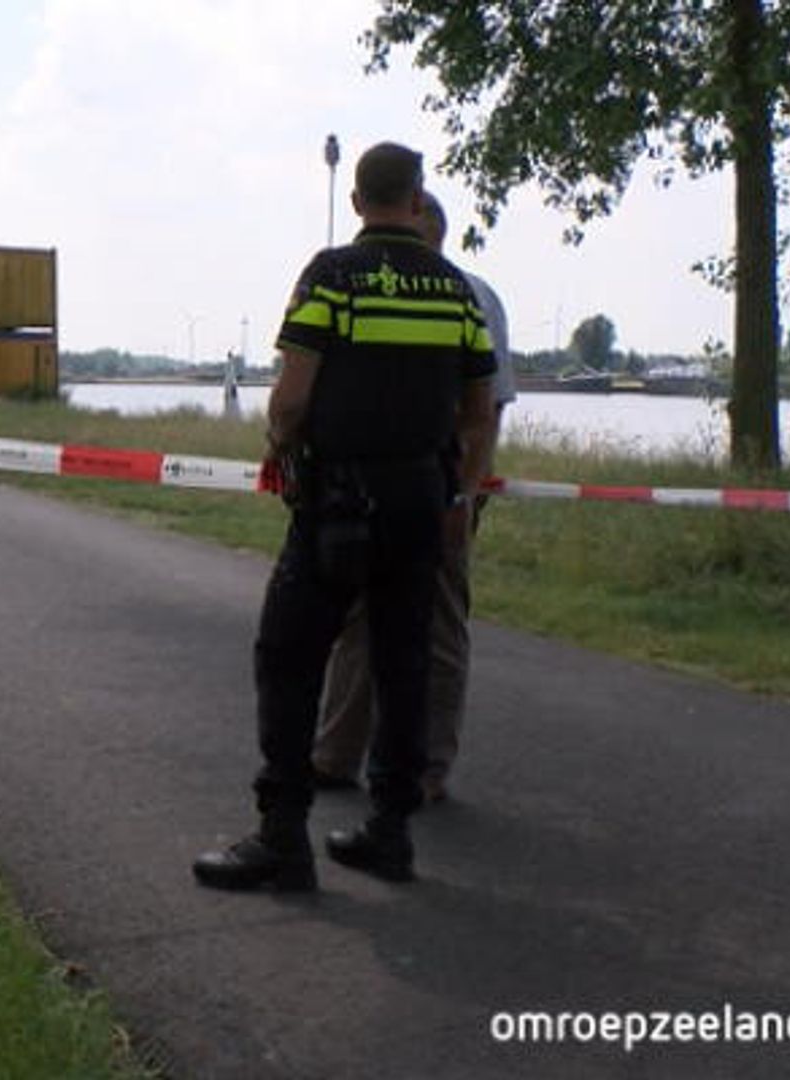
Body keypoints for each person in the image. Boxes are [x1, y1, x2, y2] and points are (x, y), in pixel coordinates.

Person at [192, 143, 497, 890]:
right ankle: (388, 833)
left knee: (289, 656)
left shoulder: (332, 276)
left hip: (339, 502)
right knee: (402, 661)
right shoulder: (455, 289)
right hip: (421, 500)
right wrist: (453, 484)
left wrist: (281, 442)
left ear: (358, 201)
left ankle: (282, 836)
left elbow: (293, 395)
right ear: (417, 201)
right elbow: (479, 408)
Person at [311, 191, 516, 803]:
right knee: (365, 619)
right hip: (390, 484)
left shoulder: (469, 294)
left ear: (424, 224)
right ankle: (343, 753)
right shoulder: (386, 286)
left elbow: (488, 406)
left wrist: (465, 493)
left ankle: (420, 766)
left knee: (436, 622)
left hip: (439, 484)